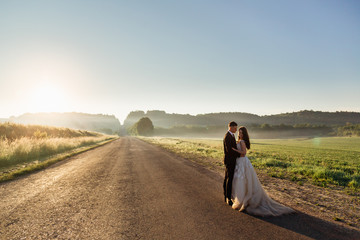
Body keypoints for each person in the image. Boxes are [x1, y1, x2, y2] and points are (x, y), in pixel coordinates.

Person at [231, 126, 294, 216]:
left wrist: (235, 150)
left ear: (244, 134)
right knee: (240, 181)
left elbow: (244, 152)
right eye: (239, 132)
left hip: (242, 162)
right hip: (240, 162)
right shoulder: (239, 141)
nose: (240, 134)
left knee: (242, 180)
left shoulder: (242, 141)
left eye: (241, 133)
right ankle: (240, 198)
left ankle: (243, 200)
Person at [223, 121, 240, 206]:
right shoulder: (227, 136)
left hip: (231, 160)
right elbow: (229, 150)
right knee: (229, 178)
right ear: (230, 127)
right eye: (235, 128)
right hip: (229, 160)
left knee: (227, 177)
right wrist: (239, 154)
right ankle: (228, 198)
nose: (236, 130)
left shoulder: (231, 135)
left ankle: (225, 195)